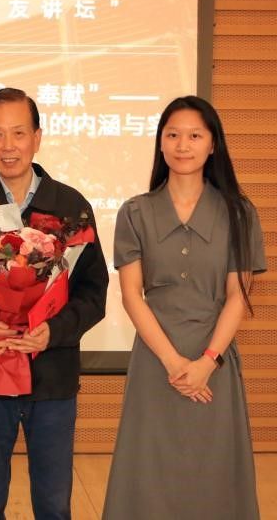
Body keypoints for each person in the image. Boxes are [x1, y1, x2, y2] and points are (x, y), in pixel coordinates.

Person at [0, 88, 109, 520]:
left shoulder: (70, 205)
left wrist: (54, 331)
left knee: (53, 505)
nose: (8, 145)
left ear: (37, 137)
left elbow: (94, 291)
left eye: (18, 133)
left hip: (52, 376)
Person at [102, 95, 266, 519]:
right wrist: (174, 362)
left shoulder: (240, 213)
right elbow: (131, 295)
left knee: (213, 472)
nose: (182, 145)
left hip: (215, 362)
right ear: (160, 143)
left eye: (195, 135)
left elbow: (238, 297)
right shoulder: (135, 212)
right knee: (150, 473)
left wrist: (207, 361)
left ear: (213, 144)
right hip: (156, 360)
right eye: (173, 135)